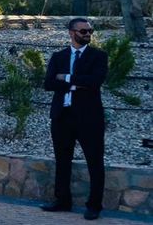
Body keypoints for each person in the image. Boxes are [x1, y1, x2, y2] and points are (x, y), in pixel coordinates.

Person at [41, 18, 108, 221]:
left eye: (90, 31)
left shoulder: (98, 56)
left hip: (89, 118)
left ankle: (94, 205)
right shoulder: (58, 56)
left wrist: (66, 78)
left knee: (95, 162)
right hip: (62, 116)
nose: (88, 34)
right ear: (71, 33)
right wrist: (76, 83)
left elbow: (94, 81)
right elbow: (48, 83)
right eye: (83, 31)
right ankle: (63, 200)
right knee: (62, 161)